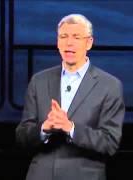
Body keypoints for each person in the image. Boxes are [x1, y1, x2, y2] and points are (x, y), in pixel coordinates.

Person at [16, 14, 125, 180]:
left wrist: (71, 128)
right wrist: (44, 128)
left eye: (76, 37)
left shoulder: (109, 86)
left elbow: (109, 143)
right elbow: (22, 136)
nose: (69, 43)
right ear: (58, 42)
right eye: (63, 37)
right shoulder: (39, 81)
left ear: (89, 42)